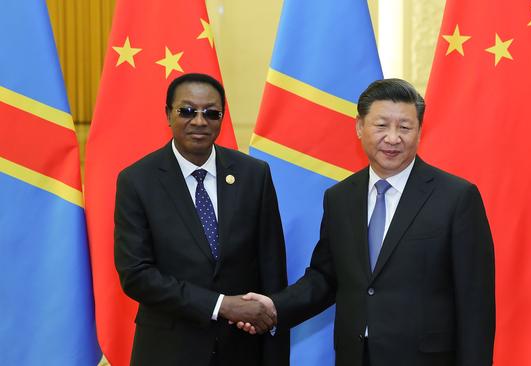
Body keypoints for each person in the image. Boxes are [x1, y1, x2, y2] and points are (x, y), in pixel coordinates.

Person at [239, 78, 495, 366]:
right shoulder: (340, 198)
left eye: (405, 127)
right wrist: (274, 307)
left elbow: (475, 304)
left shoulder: (457, 198)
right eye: (382, 125)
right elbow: (325, 278)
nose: (393, 138)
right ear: (360, 127)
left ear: (420, 131)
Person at [114, 73, 289, 366]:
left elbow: (271, 267)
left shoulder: (254, 175)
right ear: (168, 114)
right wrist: (220, 305)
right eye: (186, 111)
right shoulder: (137, 180)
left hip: (242, 349)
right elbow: (136, 275)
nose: (199, 121)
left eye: (211, 113)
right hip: (168, 351)